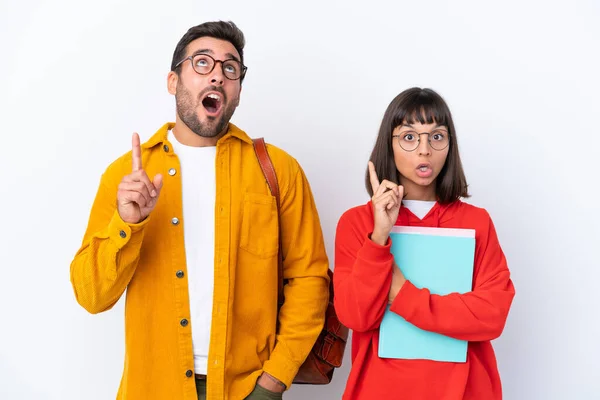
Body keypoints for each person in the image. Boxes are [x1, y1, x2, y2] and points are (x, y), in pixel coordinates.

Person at [70, 20, 330, 400]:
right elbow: (92, 296)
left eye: (230, 68)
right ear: (174, 81)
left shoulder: (278, 171)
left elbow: (309, 280)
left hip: (246, 387)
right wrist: (128, 223)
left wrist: (273, 382)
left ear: (238, 89)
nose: (218, 76)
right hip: (153, 388)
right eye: (202, 63)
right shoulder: (127, 176)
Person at [333, 87, 515, 399]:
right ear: (388, 146)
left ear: (449, 145)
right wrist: (378, 238)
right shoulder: (357, 223)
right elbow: (355, 317)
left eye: (436, 136)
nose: (424, 150)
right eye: (409, 136)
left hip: (465, 389)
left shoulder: (476, 222)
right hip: (380, 390)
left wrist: (402, 294)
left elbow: (491, 315)